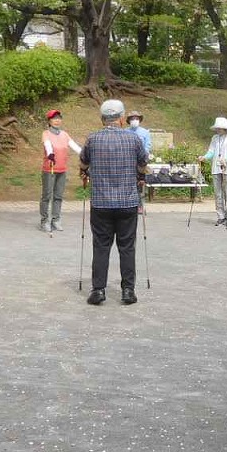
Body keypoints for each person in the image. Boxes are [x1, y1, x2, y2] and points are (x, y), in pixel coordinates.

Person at [80, 99, 149, 306]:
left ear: (103, 119)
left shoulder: (92, 139)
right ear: (121, 118)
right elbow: (143, 164)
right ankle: (128, 290)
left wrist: (84, 172)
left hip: (101, 202)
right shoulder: (133, 139)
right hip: (127, 202)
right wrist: (139, 176)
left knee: (101, 246)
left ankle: (98, 290)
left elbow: (83, 162)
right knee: (127, 246)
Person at [41, 109, 82, 233]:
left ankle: (56, 220)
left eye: (59, 118)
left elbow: (74, 146)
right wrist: (50, 154)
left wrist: (85, 154)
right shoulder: (46, 133)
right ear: (49, 121)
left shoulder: (65, 134)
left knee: (58, 196)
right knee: (47, 196)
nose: (57, 120)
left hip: (62, 169)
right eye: (54, 118)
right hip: (50, 169)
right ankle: (44, 221)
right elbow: (47, 145)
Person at [203, 117, 227, 227]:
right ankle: (221, 216)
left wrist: (226, 160)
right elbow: (211, 151)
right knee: (218, 193)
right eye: (216, 128)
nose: (217, 130)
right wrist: (204, 157)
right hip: (216, 168)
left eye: (219, 128)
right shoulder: (215, 138)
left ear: (225, 128)